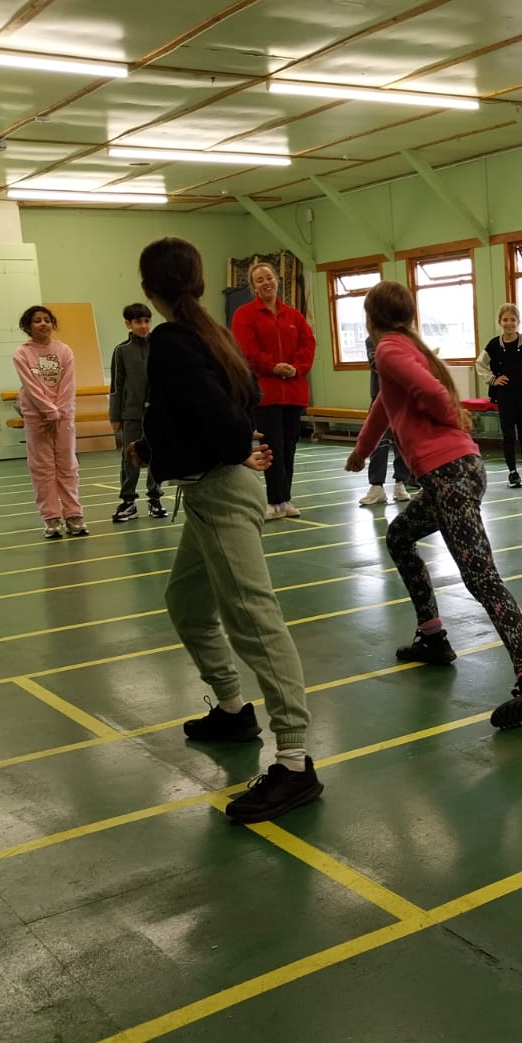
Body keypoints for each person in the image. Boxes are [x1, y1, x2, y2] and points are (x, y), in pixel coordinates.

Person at [134, 237, 322, 823]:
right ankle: (234, 711)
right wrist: (161, 448)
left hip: (220, 490)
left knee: (254, 620)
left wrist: (238, 445)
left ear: (148, 289)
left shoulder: (172, 339)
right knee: (187, 602)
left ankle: (294, 762)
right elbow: (246, 394)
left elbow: (218, 413)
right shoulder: (209, 331)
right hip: (212, 487)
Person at [345, 280, 522, 730]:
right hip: (455, 474)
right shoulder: (404, 348)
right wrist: (361, 451)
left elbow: (431, 393)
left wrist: (454, 416)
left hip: (450, 477)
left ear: (370, 318)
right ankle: (432, 636)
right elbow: (384, 407)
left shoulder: (389, 349)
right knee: (399, 536)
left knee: (481, 577)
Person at [231, 258, 316, 520]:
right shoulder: (244, 314)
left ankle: (284, 500)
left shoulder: (294, 316)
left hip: (294, 392)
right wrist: (272, 367)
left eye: (269, 277)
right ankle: (274, 500)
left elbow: (308, 345)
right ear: (253, 287)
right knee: (272, 446)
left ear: (277, 280)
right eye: (260, 280)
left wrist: (295, 368)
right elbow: (246, 350)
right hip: (265, 393)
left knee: (289, 446)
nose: (266, 283)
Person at [13, 305, 89, 539]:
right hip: (38, 417)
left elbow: (68, 384)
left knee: (67, 465)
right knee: (42, 467)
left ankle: (74, 515)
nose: (43, 324)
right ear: (28, 326)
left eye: (47, 320)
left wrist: (59, 412)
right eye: (37, 320)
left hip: (63, 417)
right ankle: (51, 518)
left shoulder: (64, 350)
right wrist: (49, 411)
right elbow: (31, 386)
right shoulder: (21, 353)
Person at [476, 302, 522, 487]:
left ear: (518, 322)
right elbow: (480, 364)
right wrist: (492, 379)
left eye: (513, 320)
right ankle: (512, 473)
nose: (509, 323)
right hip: (504, 394)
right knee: (508, 434)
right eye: (505, 319)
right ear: (500, 321)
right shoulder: (494, 345)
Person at [108, 301, 166, 522]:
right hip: (130, 414)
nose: (143, 326)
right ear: (128, 324)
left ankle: (155, 498)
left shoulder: (159, 346)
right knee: (129, 457)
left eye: (147, 321)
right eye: (138, 322)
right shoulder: (121, 351)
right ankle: (128, 501)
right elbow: (116, 385)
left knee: (157, 454)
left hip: (157, 414)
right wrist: (115, 415)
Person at [359, 334, 416, 507]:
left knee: (402, 442)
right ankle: (376, 486)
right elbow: (376, 364)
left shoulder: (407, 338)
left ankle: (401, 482)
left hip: (403, 396)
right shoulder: (373, 339)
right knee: (379, 442)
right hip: (381, 396)